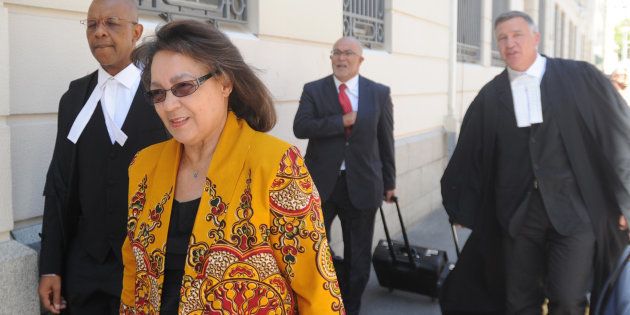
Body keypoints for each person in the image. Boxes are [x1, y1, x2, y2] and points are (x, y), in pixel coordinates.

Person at [119, 20, 345, 314]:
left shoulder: (276, 164)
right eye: (158, 93)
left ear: (224, 83)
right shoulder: (144, 166)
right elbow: (134, 272)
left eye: (184, 86)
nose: (169, 105)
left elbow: (317, 291)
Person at [440, 11, 630, 315]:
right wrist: (461, 204)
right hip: (517, 216)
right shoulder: (492, 95)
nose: (510, 43)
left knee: (568, 299)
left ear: (536, 38)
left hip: (575, 212)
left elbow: (618, 136)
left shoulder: (579, 77)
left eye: (517, 35)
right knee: (518, 302)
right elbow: (469, 153)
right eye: (502, 38)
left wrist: (625, 201)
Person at [38, 0, 169, 314]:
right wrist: (50, 266)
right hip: (85, 268)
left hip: (149, 269)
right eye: (92, 24)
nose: (99, 32)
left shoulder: (162, 95)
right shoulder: (73, 98)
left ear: (136, 31)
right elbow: (58, 184)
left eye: (111, 23)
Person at [293, 36, 395, 315]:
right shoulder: (314, 90)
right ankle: (318, 305)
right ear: (331, 58)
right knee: (314, 251)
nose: (341, 58)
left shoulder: (379, 93)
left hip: (363, 186)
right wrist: (342, 121)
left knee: (358, 256)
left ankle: (350, 307)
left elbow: (386, 140)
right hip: (321, 185)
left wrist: (390, 182)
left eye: (348, 53)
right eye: (336, 52)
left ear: (360, 60)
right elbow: (301, 127)